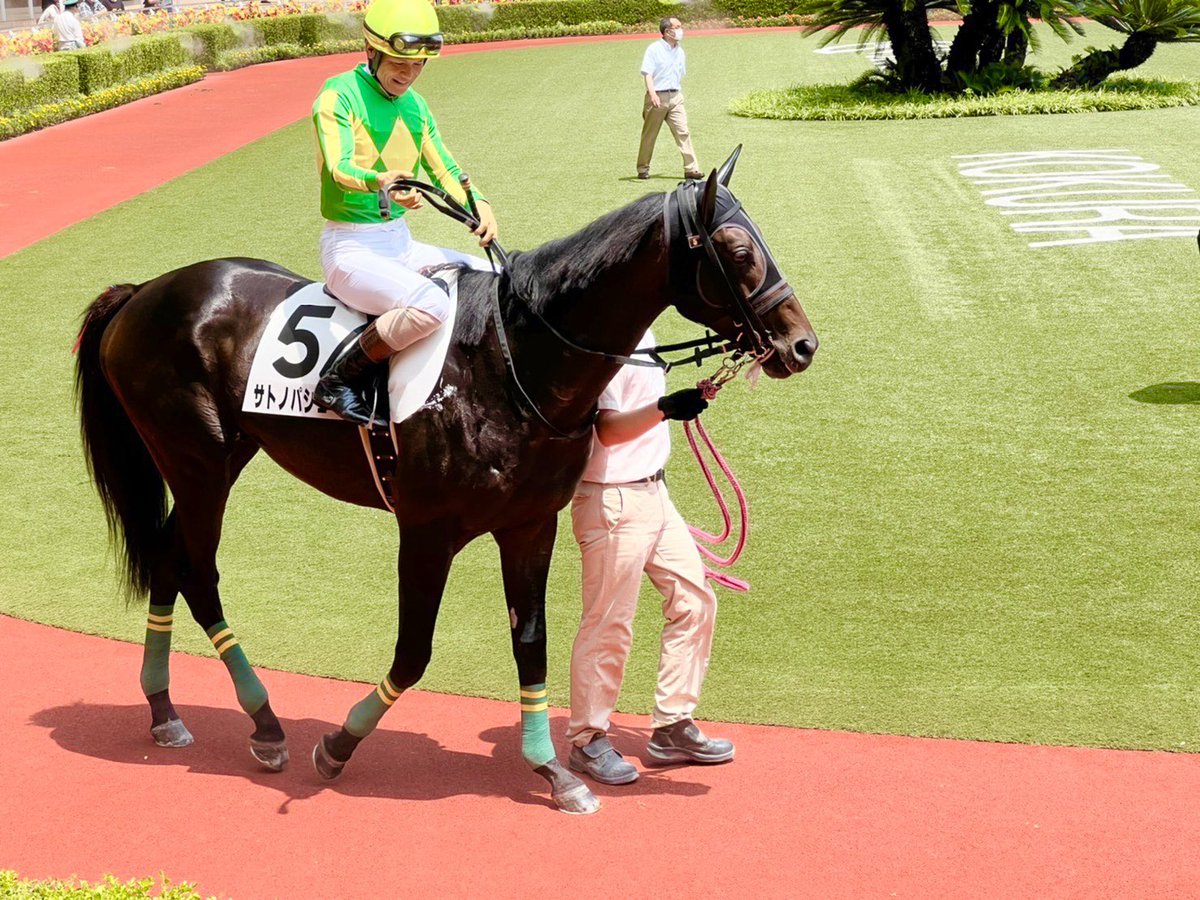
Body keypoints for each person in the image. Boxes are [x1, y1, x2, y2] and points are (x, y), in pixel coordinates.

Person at [310, 0, 498, 425]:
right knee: (431, 303)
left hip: (400, 245)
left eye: (418, 65)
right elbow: (339, 168)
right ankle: (338, 379)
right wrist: (383, 182)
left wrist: (480, 205)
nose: (408, 74)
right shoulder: (339, 94)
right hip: (350, 250)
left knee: (494, 280)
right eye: (399, 61)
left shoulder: (417, 107)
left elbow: (445, 169)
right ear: (372, 50)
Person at [566, 330, 734, 785]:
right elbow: (607, 429)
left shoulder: (644, 332)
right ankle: (586, 739)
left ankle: (673, 725)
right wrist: (665, 409)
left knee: (695, 601)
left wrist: (681, 399)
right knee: (609, 623)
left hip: (654, 492)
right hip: (612, 500)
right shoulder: (597, 344)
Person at [636, 17, 702, 182]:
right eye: (677, 27)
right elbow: (647, 73)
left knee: (683, 132)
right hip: (657, 96)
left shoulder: (679, 51)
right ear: (667, 32)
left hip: (675, 96)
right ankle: (643, 168)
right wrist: (652, 94)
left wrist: (678, 94)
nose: (681, 29)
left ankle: (691, 169)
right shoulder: (654, 49)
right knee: (650, 135)